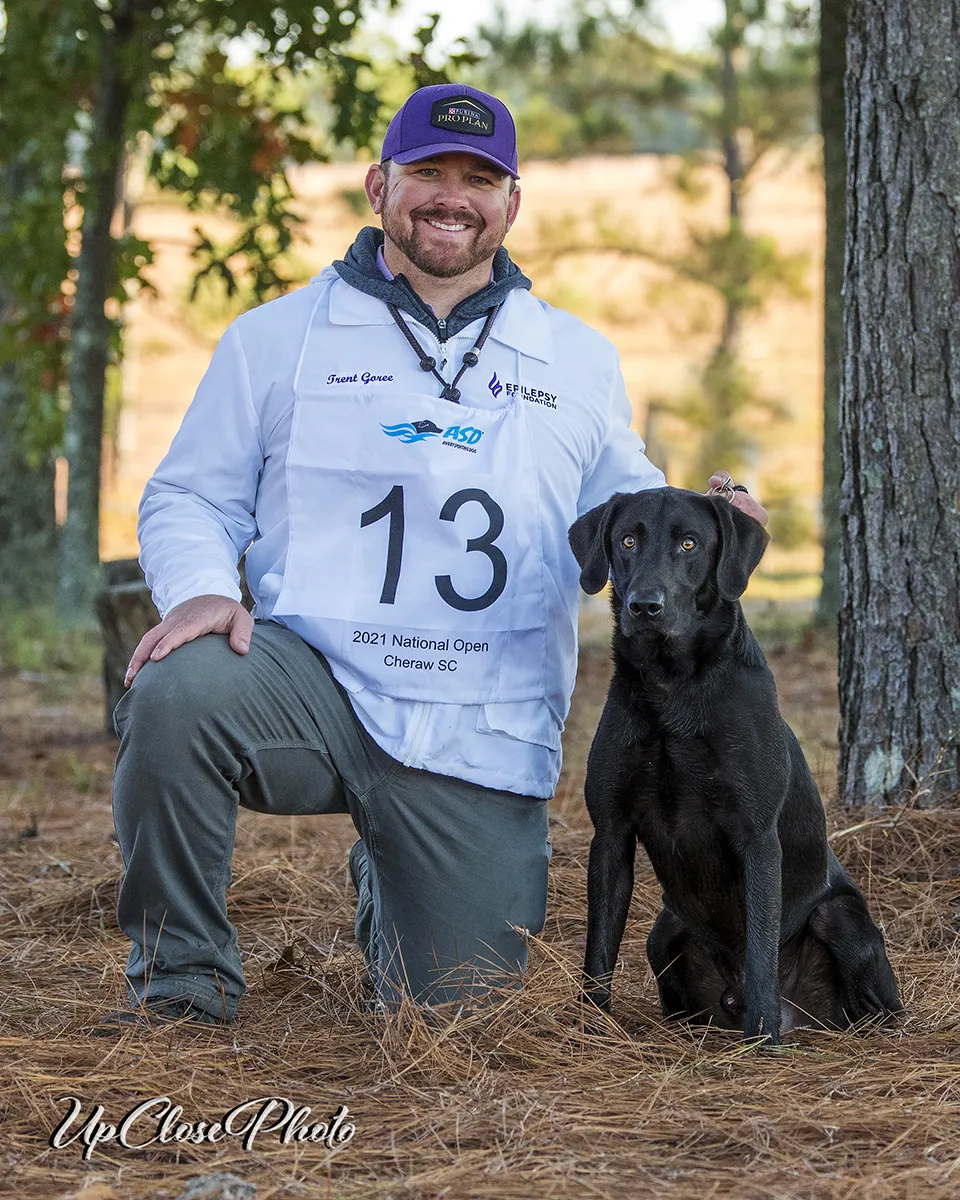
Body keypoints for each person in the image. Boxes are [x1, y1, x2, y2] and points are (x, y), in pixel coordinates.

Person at [100, 83, 766, 1031]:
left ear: (512, 203)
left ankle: (401, 872)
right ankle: (181, 988)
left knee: (459, 1020)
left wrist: (719, 504)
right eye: (427, 174)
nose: (452, 197)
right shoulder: (276, 339)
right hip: (310, 679)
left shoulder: (575, 357)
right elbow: (189, 493)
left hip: (478, 718)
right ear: (378, 185)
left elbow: (627, 506)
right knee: (178, 693)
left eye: (479, 179)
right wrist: (203, 590)